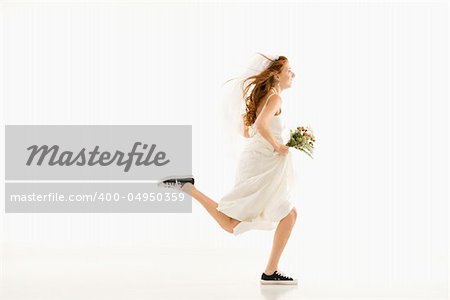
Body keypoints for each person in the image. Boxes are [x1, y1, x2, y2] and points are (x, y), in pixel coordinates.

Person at [157, 53, 298, 285]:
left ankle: (270, 271)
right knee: (245, 221)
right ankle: (270, 272)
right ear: (275, 75)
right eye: (289, 70)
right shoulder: (275, 99)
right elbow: (262, 126)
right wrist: (278, 146)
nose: (292, 74)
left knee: (279, 216)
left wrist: (272, 140)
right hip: (264, 163)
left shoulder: (265, 98)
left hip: (258, 161)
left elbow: (248, 131)